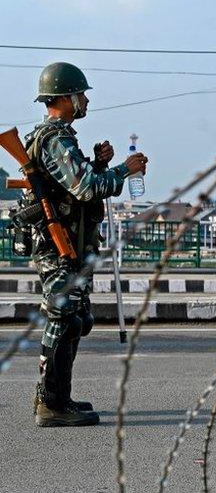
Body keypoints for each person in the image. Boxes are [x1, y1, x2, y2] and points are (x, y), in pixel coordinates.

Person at [24, 62, 148, 426]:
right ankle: (51, 404)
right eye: (81, 94)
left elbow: (73, 187)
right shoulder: (55, 139)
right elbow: (88, 188)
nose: (86, 101)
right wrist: (124, 170)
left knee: (76, 319)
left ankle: (57, 397)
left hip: (70, 245)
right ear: (64, 97)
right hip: (57, 246)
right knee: (63, 318)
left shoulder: (61, 138)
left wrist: (98, 162)